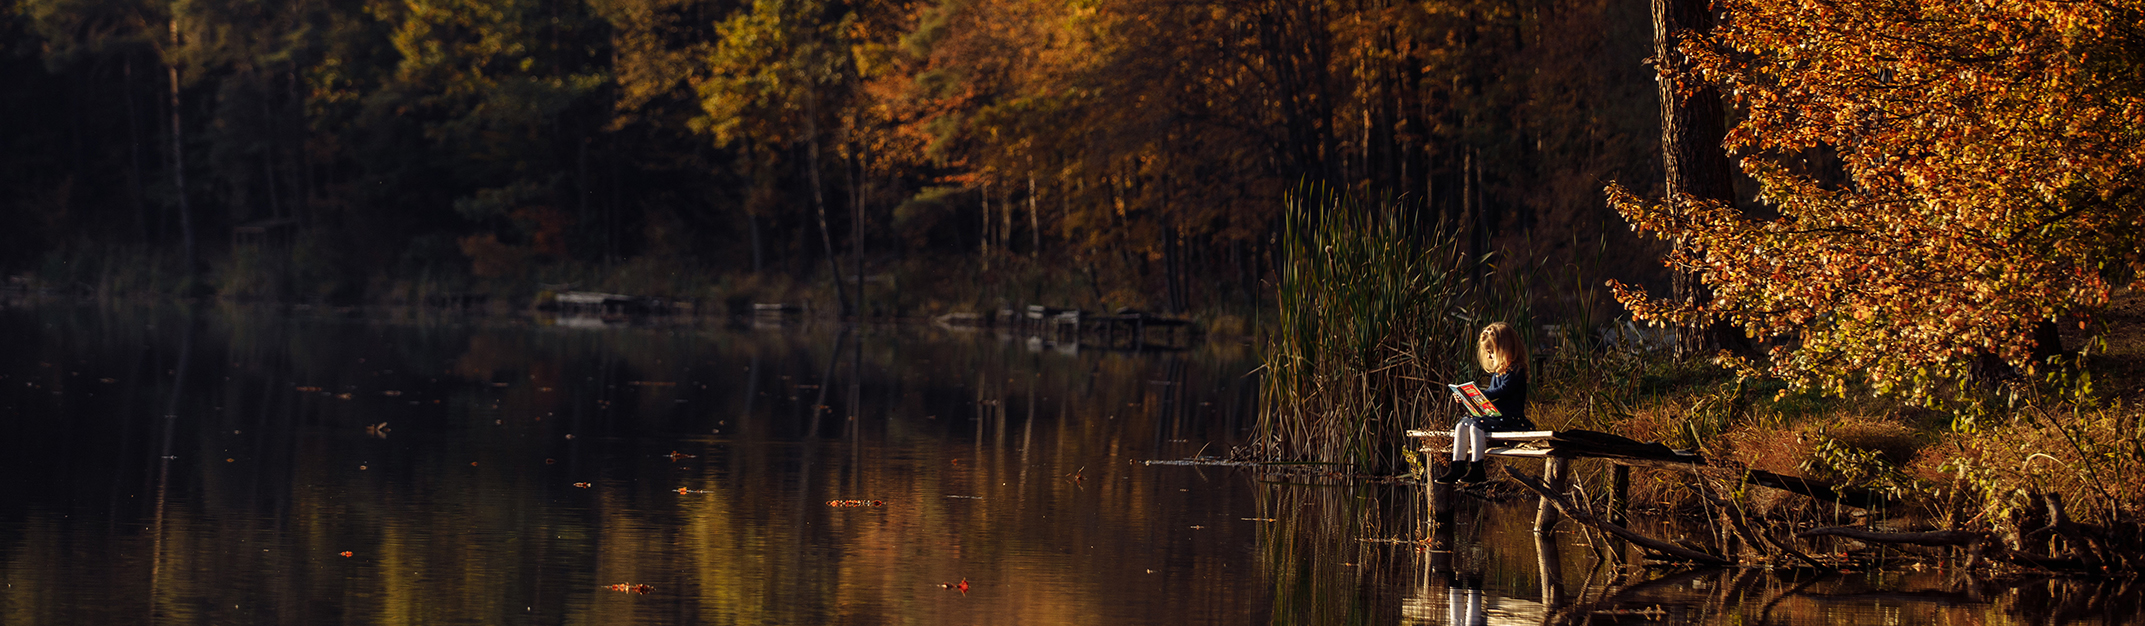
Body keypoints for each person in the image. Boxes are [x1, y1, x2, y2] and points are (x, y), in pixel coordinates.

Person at [1436, 322, 1532, 484]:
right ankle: (1457, 466)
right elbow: (1491, 397)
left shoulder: (1516, 371)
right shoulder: (1498, 374)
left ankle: (1477, 467)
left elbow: (1502, 391)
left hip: (1511, 419)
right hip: (1496, 416)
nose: (1489, 356)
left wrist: (1477, 394)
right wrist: (1467, 398)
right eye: (1487, 352)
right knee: (1462, 424)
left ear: (1504, 349)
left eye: (1491, 352)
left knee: (1476, 424)